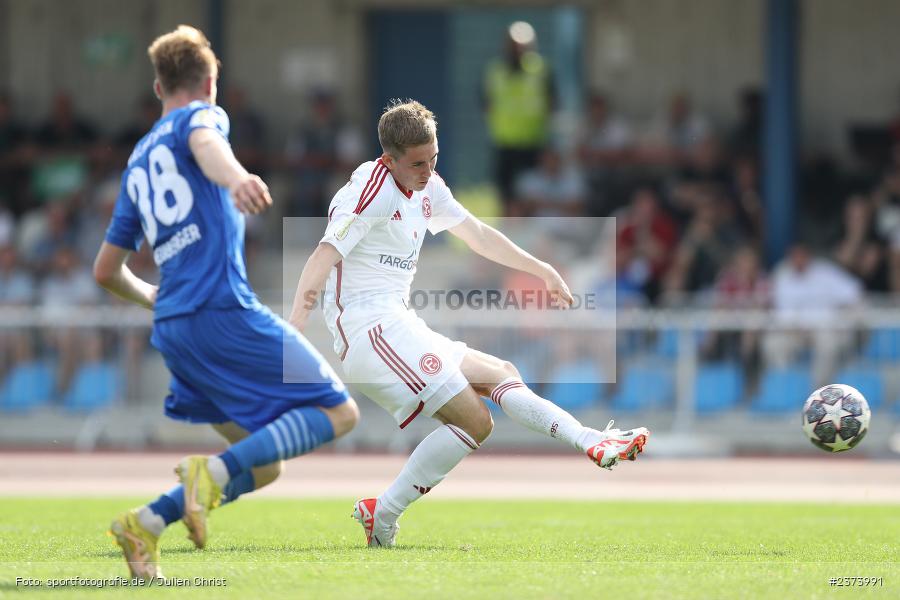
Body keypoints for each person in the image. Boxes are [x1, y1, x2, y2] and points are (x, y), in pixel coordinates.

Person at [289, 100, 648, 548]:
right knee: (476, 421)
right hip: (368, 332)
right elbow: (325, 253)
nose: (427, 170)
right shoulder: (369, 189)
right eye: (417, 163)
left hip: (398, 322)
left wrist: (542, 269)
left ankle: (592, 441)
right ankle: (384, 512)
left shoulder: (429, 185)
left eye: (433, 157)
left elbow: (477, 234)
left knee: (502, 376)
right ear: (389, 160)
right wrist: (295, 324)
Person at [94, 26, 359, 579]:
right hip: (220, 311)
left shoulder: (138, 161)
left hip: (174, 329)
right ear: (210, 82)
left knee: (264, 466)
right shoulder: (203, 117)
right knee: (338, 412)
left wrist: (158, 300)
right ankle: (206, 477)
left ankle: (144, 522)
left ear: (156, 85)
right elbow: (204, 140)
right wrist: (238, 177)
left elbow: (106, 270)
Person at [483, 21, 555, 214]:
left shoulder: (541, 70)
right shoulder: (495, 71)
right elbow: (486, 103)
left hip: (533, 144)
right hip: (505, 144)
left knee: (532, 196)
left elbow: (552, 103)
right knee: (505, 197)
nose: (518, 50)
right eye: (514, 45)